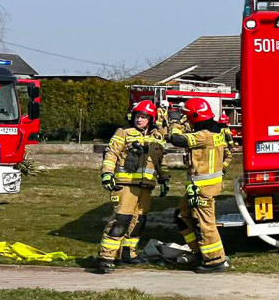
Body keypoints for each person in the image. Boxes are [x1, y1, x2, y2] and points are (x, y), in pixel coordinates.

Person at [96, 100, 169, 274]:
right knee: (121, 221)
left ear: (150, 119)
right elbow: (111, 153)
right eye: (138, 116)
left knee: (138, 223)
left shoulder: (156, 137)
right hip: (126, 185)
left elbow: (161, 160)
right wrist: (107, 174)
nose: (140, 120)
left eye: (144, 117)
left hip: (146, 187)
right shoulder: (124, 133)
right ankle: (106, 258)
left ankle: (129, 253)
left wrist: (164, 178)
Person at [166, 98, 231, 273]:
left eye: (188, 116)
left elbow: (177, 139)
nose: (186, 119)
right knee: (181, 216)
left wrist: (174, 121)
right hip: (198, 187)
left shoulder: (204, 135)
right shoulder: (214, 130)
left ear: (195, 116)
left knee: (205, 224)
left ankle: (215, 260)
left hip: (204, 188)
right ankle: (199, 252)